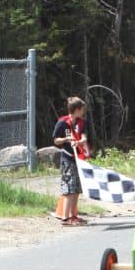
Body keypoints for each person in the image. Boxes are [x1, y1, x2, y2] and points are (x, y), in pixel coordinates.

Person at [52, 96, 89, 226]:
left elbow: (84, 136)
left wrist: (81, 141)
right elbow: (56, 140)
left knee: (76, 188)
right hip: (67, 158)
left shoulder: (82, 122)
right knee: (68, 188)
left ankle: (74, 216)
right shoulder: (63, 123)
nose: (83, 111)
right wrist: (66, 140)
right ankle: (65, 218)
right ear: (77, 109)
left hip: (78, 159)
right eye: (82, 109)